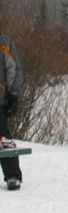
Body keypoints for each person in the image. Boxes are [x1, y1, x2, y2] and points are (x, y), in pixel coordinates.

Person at [0, 32, 23, 191]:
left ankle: (13, 175)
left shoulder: (5, 42)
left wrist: (13, 94)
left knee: (4, 138)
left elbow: (14, 69)